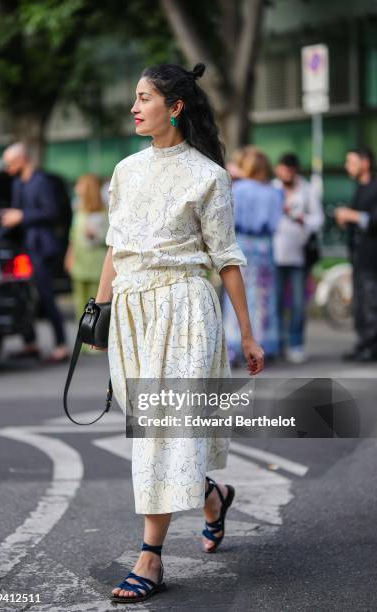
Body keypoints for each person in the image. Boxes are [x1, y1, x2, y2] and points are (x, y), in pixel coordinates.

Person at [94, 62, 264, 603]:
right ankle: (212, 496)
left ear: (175, 107)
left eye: (143, 98)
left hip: (186, 309)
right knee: (158, 427)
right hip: (133, 310)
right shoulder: (124, 171)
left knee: (160, 433)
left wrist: (248, 333)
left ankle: (151, 557)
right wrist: (96, 313)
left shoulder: (208, 175)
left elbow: (226, 258)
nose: (134, 107)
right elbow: (115, 250)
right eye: (134, 98)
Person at [1, 142, 69, 363]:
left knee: (46, 296)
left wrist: (21, 216)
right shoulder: (18, 184)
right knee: (23, 294)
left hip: (43, 246)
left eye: (10, 163)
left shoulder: (41, 181)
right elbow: (17, 213)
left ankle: (60, 345)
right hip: (26, 247)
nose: (7, 167)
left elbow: (51, 212)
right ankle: (30, 343)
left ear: (22, 159)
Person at [221, 146, 283, 366]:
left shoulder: (238, 190)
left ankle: (236, 343)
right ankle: (266, 343)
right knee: (265, 297)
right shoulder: (274, 192)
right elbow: (276, 223)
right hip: (265, 246)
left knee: (238, 296)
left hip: (243, 244)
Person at [273, 153, 324, 364]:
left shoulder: (306, 189)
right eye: (282, 169)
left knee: (297, 303)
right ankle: (277, 343)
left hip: (298, 255)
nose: (285, 174)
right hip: (275, 253)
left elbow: (318, 219)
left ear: (295, 171)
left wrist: (303, 219)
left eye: (289, 170)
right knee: (274, 302)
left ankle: (296, 344)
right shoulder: (273, 188)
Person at [335, 147, 377, 362]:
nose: (347, 166)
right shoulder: (359, 188)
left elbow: (373, 220)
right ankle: (364, 345)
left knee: (371, 302)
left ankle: (371, 347)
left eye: (351, 162)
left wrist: (350, 215)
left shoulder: (374, 187)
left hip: (372, 257)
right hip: (360, 256)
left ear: (365, 162)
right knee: (360, 303)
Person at [64, 173, 109, 350]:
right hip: (80, 263)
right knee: (79, 306)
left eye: (80, 185)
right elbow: (73, 237)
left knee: (98, 305)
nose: (77, 189)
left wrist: (96, 235)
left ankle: (97, 340)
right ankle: (83, 341)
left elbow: (108, 238)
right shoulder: (78, 209)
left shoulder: (104, 212)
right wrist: (69, 256)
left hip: (96, 264)